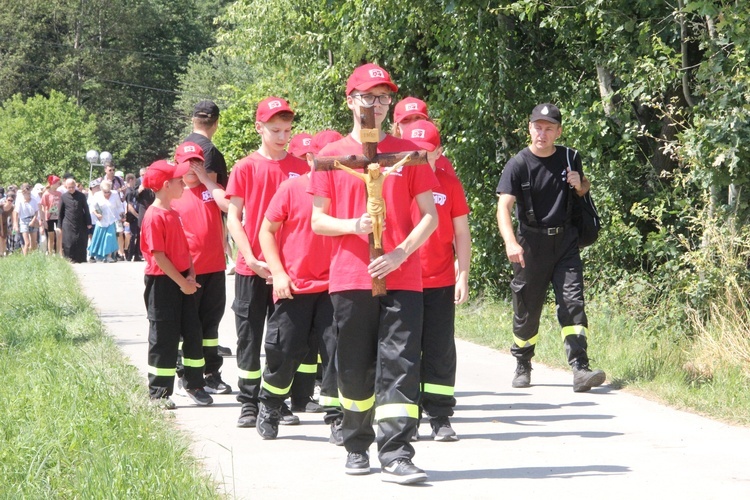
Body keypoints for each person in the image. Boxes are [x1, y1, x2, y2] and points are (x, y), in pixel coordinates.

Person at [308, 63, 438, 484]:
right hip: (351, 276)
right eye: (369, 96)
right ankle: (356, 443)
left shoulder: (405, 152)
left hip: (402, 275)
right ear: (351, 100)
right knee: (354, 365)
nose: (377, 105)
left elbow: (430, 217)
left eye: (384, 98)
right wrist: (354, 226)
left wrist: (401, 253)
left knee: (400, 363)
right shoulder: (332, 158)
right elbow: (318, 222)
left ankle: (397, 452)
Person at [495, 102, 606, 393]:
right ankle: (522, 362)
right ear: (529, 128)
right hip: (530, 245)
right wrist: (510, 241)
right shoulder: (518, 164)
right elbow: (503, 207)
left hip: (566, 241)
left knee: (572, 303)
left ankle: (580, 368)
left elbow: (584, 189)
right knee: (527, 309)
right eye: (537, 127)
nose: (541, 134)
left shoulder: (570, 157)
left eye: (548, 128)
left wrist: (580, 183)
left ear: (557, 132)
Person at [225, 96, 310, 428]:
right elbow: (234, 218)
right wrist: (249, 257)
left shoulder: (301, 168)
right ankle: (248, 401)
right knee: (249, 335)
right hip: (251, 267)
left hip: (286, 271)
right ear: (259, 128)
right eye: (275, 129)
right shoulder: (246, 167)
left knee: (283, 339)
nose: (282, 136)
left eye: (287, 130)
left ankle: (275, 401)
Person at [255, 148, 333, 440]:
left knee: (336, 353)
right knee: (284, 351)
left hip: (333, 288)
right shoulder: (290, 189)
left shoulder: (347, 190)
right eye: (322, 160)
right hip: (294, 287)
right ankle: (270, 405)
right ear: (310, 160)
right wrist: (278, 273)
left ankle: (337, 417)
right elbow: (266, 231)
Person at [401, 120, 471, 441]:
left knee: (439, 350)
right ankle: (407, 417)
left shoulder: (449, 184)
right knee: (404, 350)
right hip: (404, 281)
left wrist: (463, 274)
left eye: (425, 152)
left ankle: (440, 416)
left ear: (438, 152)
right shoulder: (393, 181)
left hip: (440, 281)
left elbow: (461, 233)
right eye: (412, 151)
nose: (418, 157)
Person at [140, 159, 213, 409]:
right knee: (163, 337)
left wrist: (191, 273)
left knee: (192, 332)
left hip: (182, 280)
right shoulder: (153, 215)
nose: (183, 183)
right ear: (164, 185)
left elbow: (185, 248)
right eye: (178, 181)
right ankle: (159, 392)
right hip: (163, 284)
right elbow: (159, 256)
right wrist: (182, 282)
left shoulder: (174, 212)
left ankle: (194, 383)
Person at [171, 141, 233, 395]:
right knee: (189, 327)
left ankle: (212, 372)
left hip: (215, 268)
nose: (191, 169)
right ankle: (187, 373)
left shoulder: (212, 189)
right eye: (185, 164)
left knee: (211, 325)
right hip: (188, 271)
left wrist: (206, 179)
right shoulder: (173, 192)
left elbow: (228, 207)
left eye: (196, 163)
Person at [391, 97, 457, 178]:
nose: (413, 123)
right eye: (406, 120)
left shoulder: (441, 162)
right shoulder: (388, 158)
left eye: (418, 118)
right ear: (397, 127)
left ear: (428, 121)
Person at [88, 179, 124, 263]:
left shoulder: (115, 194)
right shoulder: (97, 195)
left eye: (108, 192)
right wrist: (97, 215)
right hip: (101, 221)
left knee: (110, 237)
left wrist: (122, 214)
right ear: (101, 190)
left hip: (111, 220)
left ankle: (108, 256)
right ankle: (92, 255)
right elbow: (92, 207)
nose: (107, 194)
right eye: (105, 192)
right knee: (98, 239)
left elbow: (119, 206)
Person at [58, 177, 91, 263]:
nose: (71, 189)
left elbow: (86, 209)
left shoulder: (81, 196)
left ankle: (81, 258)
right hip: (68, 222)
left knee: (81, 240)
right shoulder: (64, 197)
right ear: (66, 187)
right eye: (69, 187)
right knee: (69, 241)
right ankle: (69, 258)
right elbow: (60, 212)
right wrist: (59, 225)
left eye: (73, 187)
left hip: (80, 221)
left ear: (75, 186)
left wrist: (89, 222)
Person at [12, 183, 41, 255]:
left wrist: (33, 220)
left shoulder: (33, 200)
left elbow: (36, 212)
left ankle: (32, 257)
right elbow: (16, 212)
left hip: (32, 219)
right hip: (23, 221)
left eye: (29, 193)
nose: (29, 195)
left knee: (34, 243)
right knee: (27, 243)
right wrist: (15, 224)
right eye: (27, 193)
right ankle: (25, 258)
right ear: (23, 193)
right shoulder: (20, 201)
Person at [40, 175, 63, 256]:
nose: (59, 185)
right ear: (52, 184)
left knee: (59, 235)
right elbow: (43, 208)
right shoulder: (46, 194)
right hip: (49, 217)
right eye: (57, 183)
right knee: (51, 236)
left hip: (59, 217)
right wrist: (43, 221)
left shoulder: (60, 194)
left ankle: (58, 252)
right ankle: (50, 253)